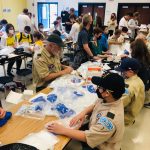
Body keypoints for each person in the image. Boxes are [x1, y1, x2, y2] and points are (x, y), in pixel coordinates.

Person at [47, 73, 125, 150]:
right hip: (95, 130)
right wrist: (83, 113)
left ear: (107, 93)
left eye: (100, 87)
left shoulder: (109, 120)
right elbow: (95, 105)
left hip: (100, 145)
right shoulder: (110, 99)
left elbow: (88, 137)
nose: (97, 89)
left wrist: (62, 130)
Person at [117, 58, 145, 126]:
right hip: (133, 111)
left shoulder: (130, 87)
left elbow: (118, 104)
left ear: (131, 71)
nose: (122, 73)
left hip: (125, 116)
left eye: (123, 71)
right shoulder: (137, 79)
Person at [130, 39, 150, 106]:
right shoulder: (146, 57)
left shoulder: (137, 61)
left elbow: (130, 74)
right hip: (146, 84)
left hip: (141, 87)